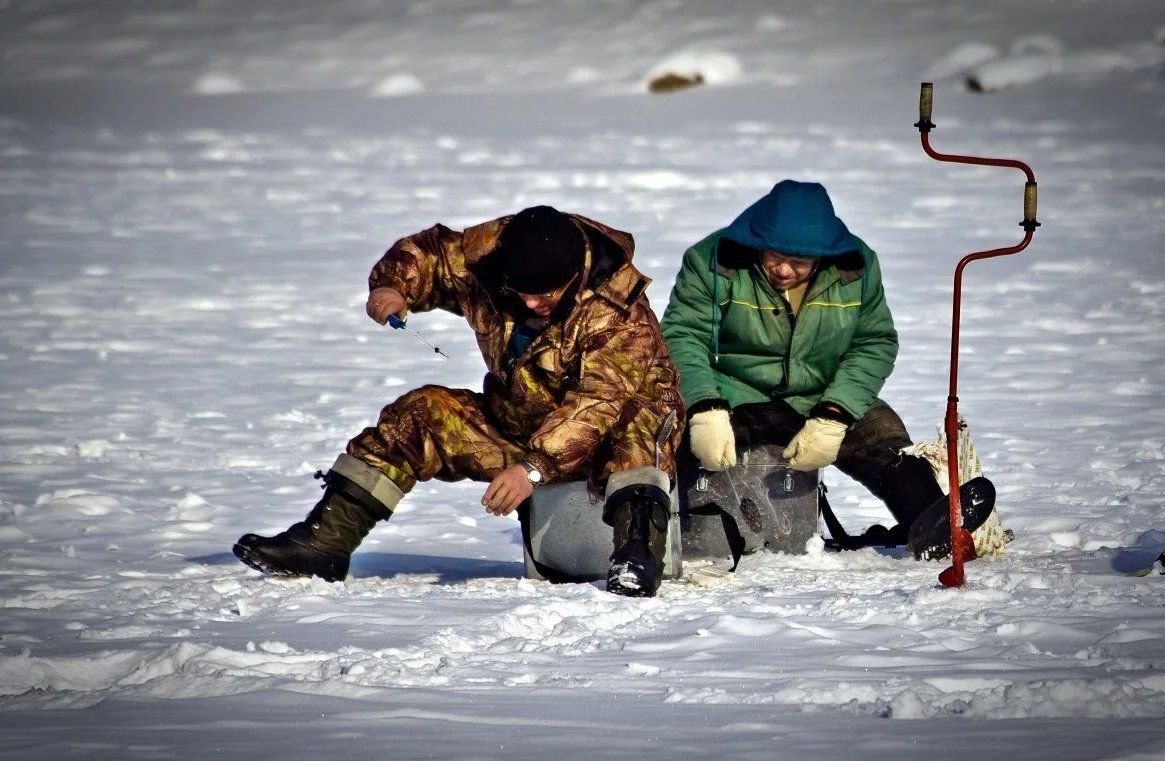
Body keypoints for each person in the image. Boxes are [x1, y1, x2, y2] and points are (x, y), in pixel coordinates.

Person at [234, 206, 685, 596]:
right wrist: (394, 286)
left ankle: (636, 554)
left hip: (607, 431)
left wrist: (532, 469)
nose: (532, 302)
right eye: (522, 292)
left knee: (637, 423)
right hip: (523, 420)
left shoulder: (620, 311)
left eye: (545, 294)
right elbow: (431, 254)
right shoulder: (488, 254)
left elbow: (599, 402)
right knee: (421, 415)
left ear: (575, 275)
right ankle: (323, 544)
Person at [659, 180, 993, 559]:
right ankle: (657, 526)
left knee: (882, 438)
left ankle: (933, 524)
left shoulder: (857, 267)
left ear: (824, 255)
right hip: (734, 391)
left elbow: (874, 343)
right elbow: (682, 336)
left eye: (799, 262)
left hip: (819, 393)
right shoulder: (712, 259)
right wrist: (703, 406)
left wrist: (835, 412)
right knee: (682, 439)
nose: (784, 270)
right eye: (774, 257)